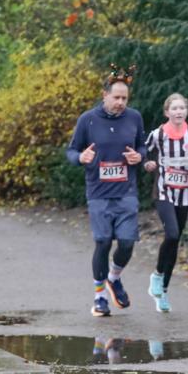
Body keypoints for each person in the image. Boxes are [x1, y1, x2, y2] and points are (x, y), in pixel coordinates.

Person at [66, 65, 146, 317]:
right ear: (105, 95)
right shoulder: (87, 120)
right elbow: (71, 151)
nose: (120, 103)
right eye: (116, 97)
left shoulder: (134, 118)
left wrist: (139, 156)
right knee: (102, 242)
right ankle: (99, 296)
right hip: (98, 193)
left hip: (126, 191)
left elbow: (142, 147)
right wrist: (81, 157)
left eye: (125, 98)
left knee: (127, 242)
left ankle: (114, 277)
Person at [144, 93, 188, 313]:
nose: (179, 112)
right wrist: (148, 164)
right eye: (174, 108)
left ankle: (163, 291)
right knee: (171, 234)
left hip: (185, 193)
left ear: (186, 111)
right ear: (166, 112)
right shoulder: (158, 134)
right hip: (164, 191)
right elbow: (144, 153)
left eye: (182, 108)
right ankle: (156, 276)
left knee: (175, 240)